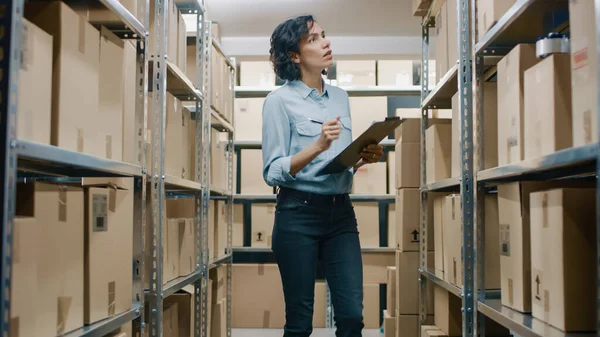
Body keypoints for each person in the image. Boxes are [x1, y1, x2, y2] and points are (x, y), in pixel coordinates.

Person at [261, 15, 384, 337]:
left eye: (324, 35)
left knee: (351, 317)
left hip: (341, 213)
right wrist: (317, 145)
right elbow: (272, 172)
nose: (325, 42)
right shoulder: (278, 101)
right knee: (300, 322)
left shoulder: (340, 97)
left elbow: (338, 160)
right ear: (294, 55)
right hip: (297, 215)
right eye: (313, 39)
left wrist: (363, 156)